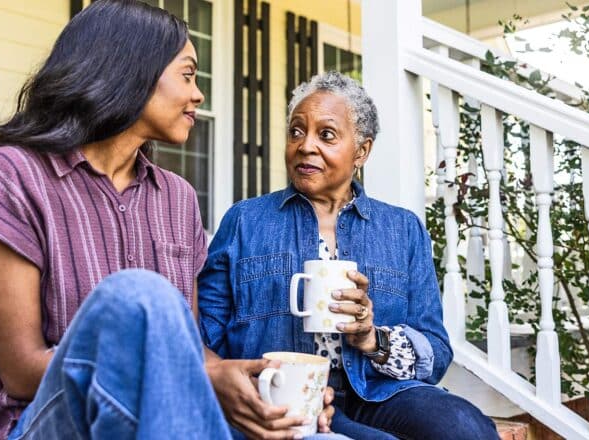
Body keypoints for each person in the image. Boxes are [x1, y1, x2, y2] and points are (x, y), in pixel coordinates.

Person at [0, 1, 338, 439]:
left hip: (155, 417)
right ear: (131, 70)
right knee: (138, 295)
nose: (198, 95)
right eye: (188, 74)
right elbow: (21, 370)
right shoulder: (16, 174)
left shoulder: (177, 197)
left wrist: (246, 385)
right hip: (50, 420)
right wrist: (194, 375)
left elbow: (193, 351)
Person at [198, 71, 499, 439]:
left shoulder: (402, 229)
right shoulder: (245, 221)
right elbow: (204, 337)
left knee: (465, 428)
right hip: (284, 395)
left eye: (326, 135)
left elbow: (435, 352)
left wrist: (373, 339)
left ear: (362, 151)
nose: (305, 145)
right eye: (296, 131)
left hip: (378, 393)